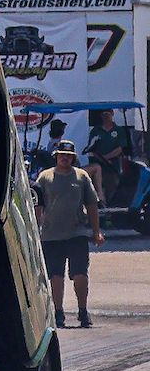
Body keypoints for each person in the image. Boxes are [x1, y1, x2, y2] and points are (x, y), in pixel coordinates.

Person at [35, 140, 104, 328]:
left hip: (77, 233)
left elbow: (91, 205)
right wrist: (36, 230)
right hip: (51, 235)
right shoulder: (44, 177)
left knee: (80, 274)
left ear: (73, 158)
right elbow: (38, 206)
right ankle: (58, 313)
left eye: (68, 155)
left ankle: (83, 311)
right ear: (56, 156)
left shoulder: (81, 177)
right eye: (61, 155)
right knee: (55, 276)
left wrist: (96, 232)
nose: (64, 158)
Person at [84, 109, 128, 206]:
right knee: (97, 186)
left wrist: (106, 157)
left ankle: (112, 209)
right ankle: (100, 206)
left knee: (113, 185)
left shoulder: (118, 130)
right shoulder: (96, 130)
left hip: (113, 164)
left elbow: (120, 149)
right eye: (104, 114)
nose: (106, 116)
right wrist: (102, 159)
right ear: (101, 116)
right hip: (97, 163)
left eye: (108, 114)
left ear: (112, 114)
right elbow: (91, 148)